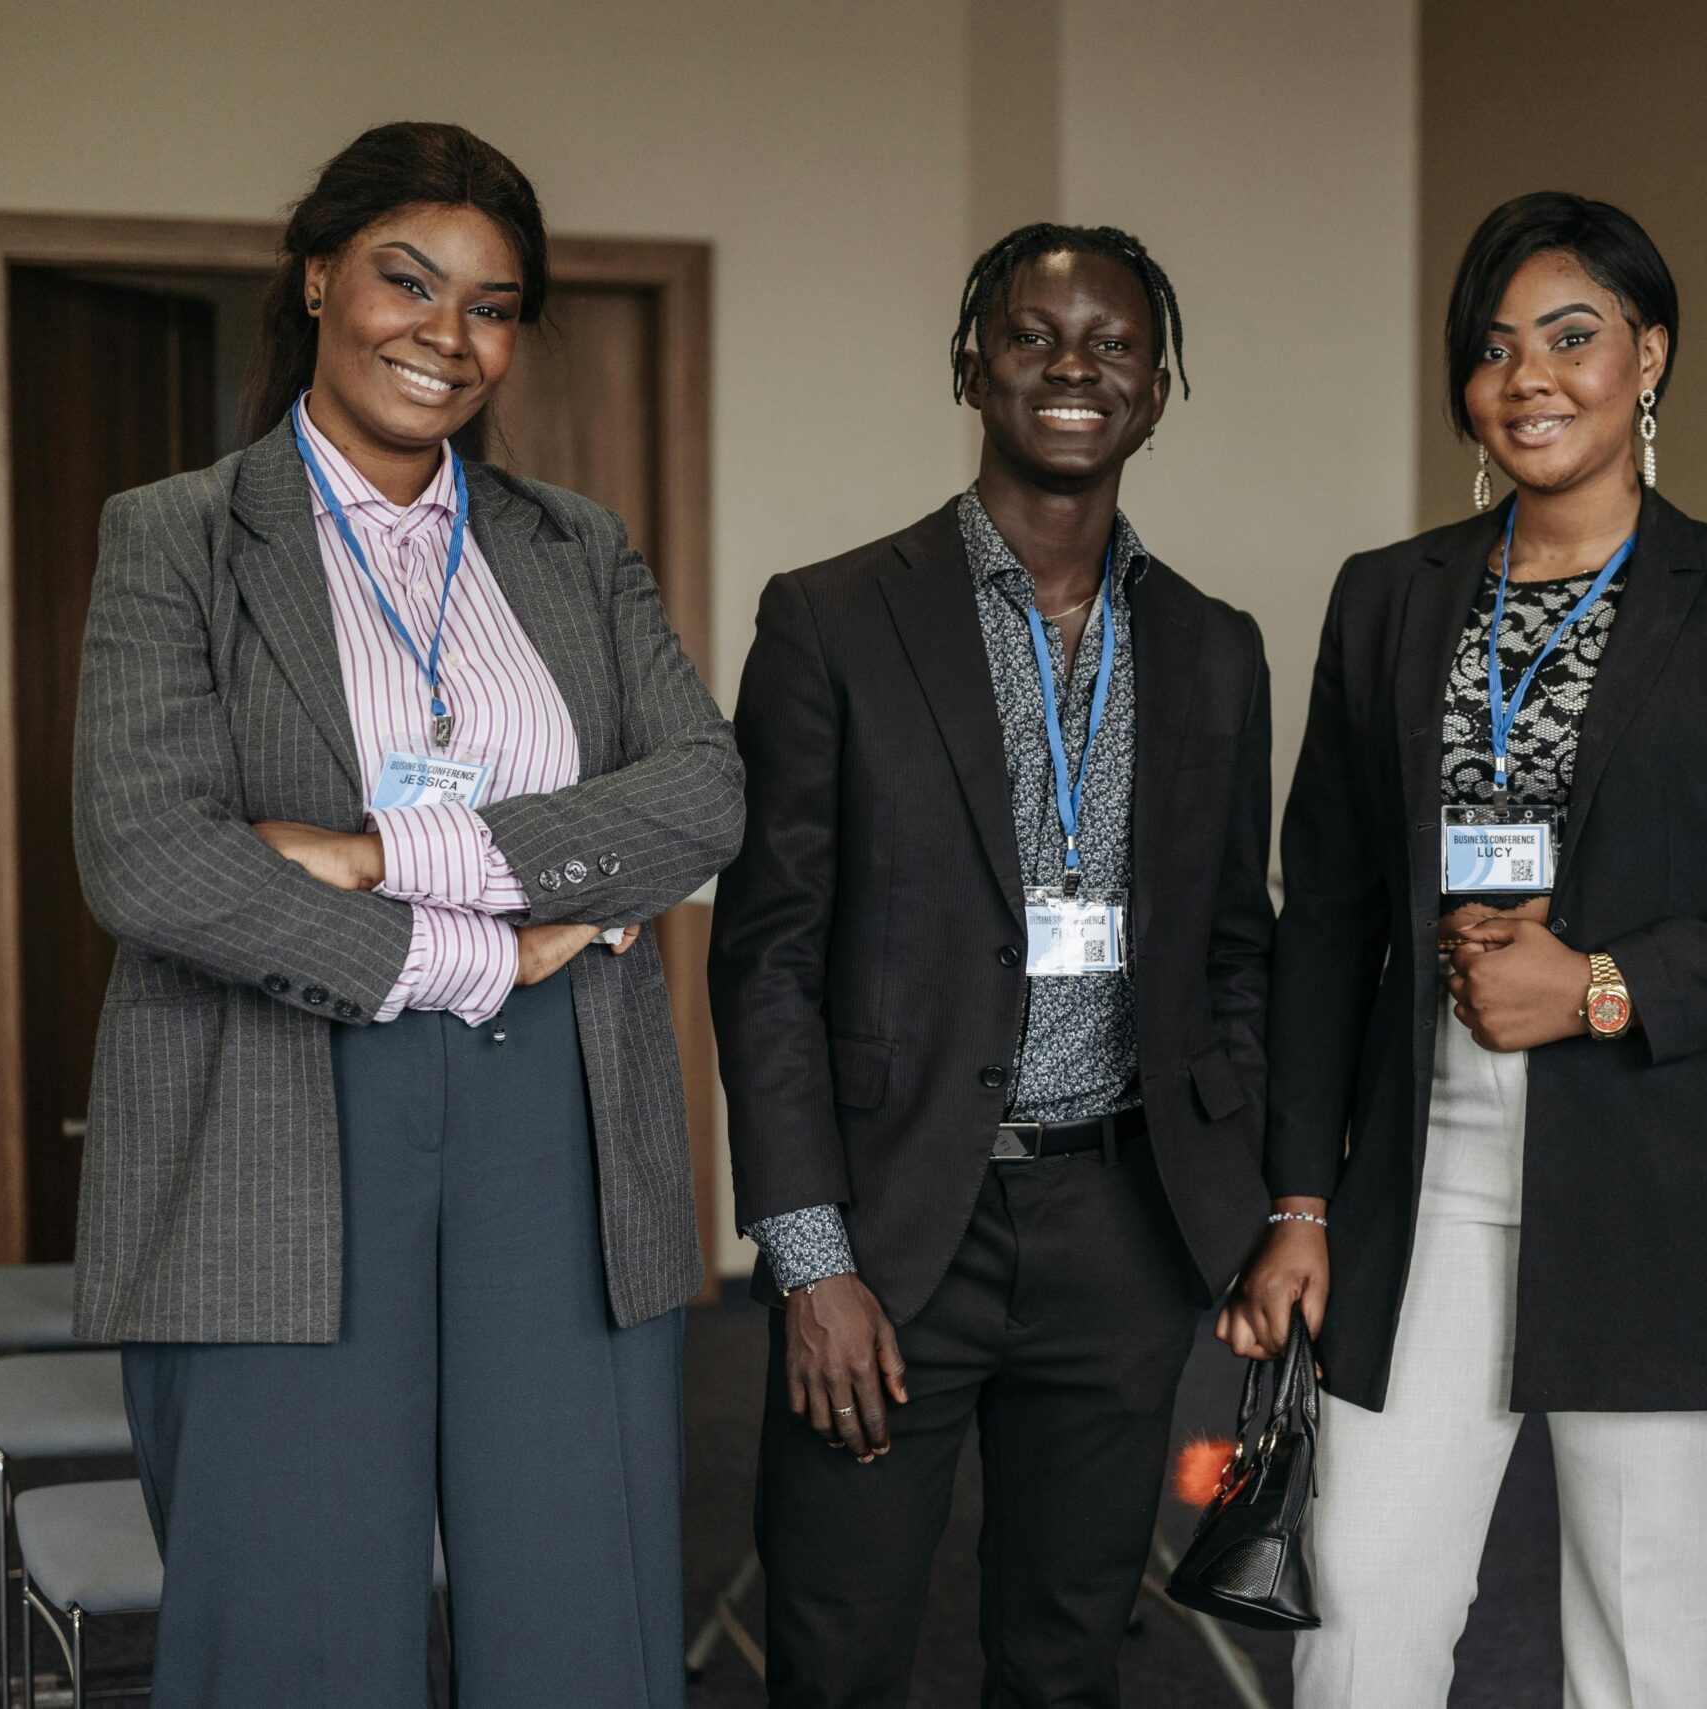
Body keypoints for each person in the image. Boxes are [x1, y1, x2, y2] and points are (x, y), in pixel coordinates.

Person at [69, 122, 742, 1706]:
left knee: (583, 1617)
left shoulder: (573, 548)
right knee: (295, 1632)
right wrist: (476, 943)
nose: (446, 336)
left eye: (492, 305)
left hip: (563, 1112)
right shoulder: (174, 537)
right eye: (408, 280)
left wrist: (380, 851)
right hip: (274, 1116)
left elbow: (702, 793)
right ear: (317, 277)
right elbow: (153, 857)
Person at [1224, 191, 1707, 1709]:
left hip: (1667, 1165)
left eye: (1573, 337)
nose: (1528, 376)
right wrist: (1299, 1195)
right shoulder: (1389, 597)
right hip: (1426, 1165)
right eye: (1493, 348)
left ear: (1649, 357)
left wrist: (1601, 984)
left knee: (1647, 1629)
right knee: (1357, 1630)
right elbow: (1325, 912)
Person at [709, 221, 1274, 1708]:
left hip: (1122, 1229)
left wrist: (1251, 1198)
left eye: (1115, 345)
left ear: (1159, 392)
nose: (1075, 367)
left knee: (1066, 1655)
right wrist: (810, 1258)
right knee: (837, 1652)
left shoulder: (1217, 649)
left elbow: (1233, 951)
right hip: (895, 1232)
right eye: (1035, 335)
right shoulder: (831, 618)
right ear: (973, 366)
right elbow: (764, 955)